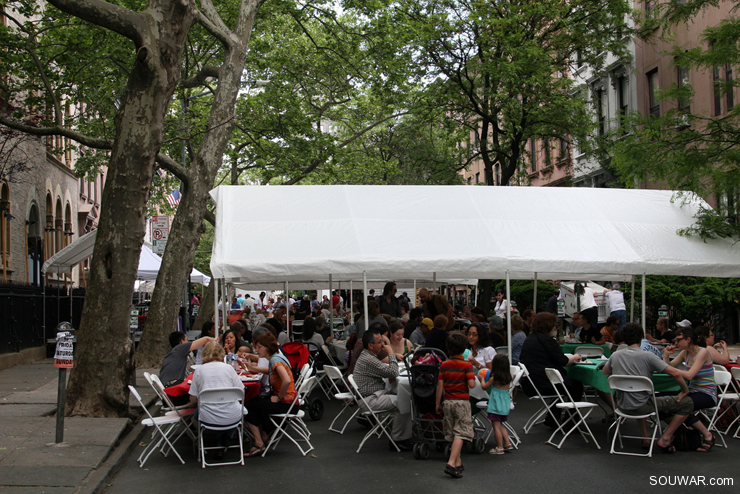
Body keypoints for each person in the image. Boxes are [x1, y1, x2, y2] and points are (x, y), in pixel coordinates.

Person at [602, 323, 693, 453]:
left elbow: (605, 372)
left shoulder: (616, 355)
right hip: (643, 404)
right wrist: (685, 390)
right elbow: (676, 373)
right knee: (687, 403)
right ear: (641, 337)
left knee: (638, 395)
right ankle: (665, 438)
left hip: (622, 405)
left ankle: (646, 437)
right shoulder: (648, 356)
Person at [519, 312, 583, 428]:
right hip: (542, 383)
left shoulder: (529, 339)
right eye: (554, 324)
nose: (555, 327)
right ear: (549, 325)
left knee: (560, 387)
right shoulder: (547, 340)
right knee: (576, 386)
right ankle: (571, 422)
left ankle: (552, 419)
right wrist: (575, 357)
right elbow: (563, 361)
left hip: (529, 382)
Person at [354, 328, 413, 451]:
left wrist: (389, 372)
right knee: (403, 401)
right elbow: (393, 371)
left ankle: (400, 434)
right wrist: (391, 353)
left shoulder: (367, 356)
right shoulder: (369, 359)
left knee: (400, 396)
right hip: (370, 400)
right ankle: (399, 439)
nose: (383, 344)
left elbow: (388, 372)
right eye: (380, 342)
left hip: (370, 396)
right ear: (370, 345)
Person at [242, 333, 297, 457]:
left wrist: (278, 397)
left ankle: (259, 443)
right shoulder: (276, 357)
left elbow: (287, 380)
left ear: (266, 347)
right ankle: (264, 436)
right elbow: (272, 370)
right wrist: (254, 369)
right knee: (255, 401)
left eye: (258, 347)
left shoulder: (275, 360)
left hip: (286, 403)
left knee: (248, 406)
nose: (256, 350)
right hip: (291, 401)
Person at [663, 327, 717, 452]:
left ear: (688, 339)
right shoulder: (685, 353)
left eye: (678, 340)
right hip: (691, 391)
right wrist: (666, 355)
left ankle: (707, 434)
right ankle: (685, 430)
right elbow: (669, 367)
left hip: (706, 393)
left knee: (682, 404)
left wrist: (670, 369)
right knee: (662, 401)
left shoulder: (702, 352)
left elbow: (689, 375)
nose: (676, 343)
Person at [188, 340, 245, 459]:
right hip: (232, 415)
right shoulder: (229, 369)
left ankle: (216, 443)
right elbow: (241, 392)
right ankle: (224, 441)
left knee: (196, 414)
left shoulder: (199, 371)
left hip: (208, 416)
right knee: (230, 409)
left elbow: (193, 399)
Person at [435, 332, 476, 478]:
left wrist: (437, 403)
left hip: (448, 401)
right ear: (464, 348)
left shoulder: (444, 365)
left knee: (452, 432)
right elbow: (471, 385)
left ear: (448, 348)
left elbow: (440, 385)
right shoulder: (467, 365)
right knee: (462, 432)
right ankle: (452, 462)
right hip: (462, 402)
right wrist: (477, 379)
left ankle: (458, 462)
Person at [160, 331, 214, 405]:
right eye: (186, 340)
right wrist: (215, 340)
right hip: (173, 394)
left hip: (167, 394)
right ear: (181, 342)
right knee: (198, 394)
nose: (188, 342)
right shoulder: (180, 349)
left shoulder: (171, 354)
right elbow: (206, 339)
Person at [480, 354, 514, 455]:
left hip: (495, 404)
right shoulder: (508, 377)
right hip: (504, 403)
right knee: (501, 424)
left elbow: (484, 387)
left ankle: (499, 447)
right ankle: (507, 443)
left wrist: (482, 379)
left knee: (496, 426)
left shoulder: (494, 378)